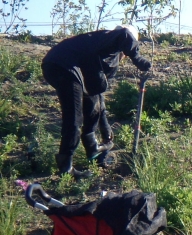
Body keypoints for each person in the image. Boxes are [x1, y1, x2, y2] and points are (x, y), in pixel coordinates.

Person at [41, 25, 151, 177]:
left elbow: (97, 99)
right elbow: (124, 34)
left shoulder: (101, 57)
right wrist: (137, 58)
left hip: (60, 65)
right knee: (74, 117)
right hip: (63, 65)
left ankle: (92, 150)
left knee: (89, 106)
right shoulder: (110, 41)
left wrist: (105, 132)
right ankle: (65, 169)